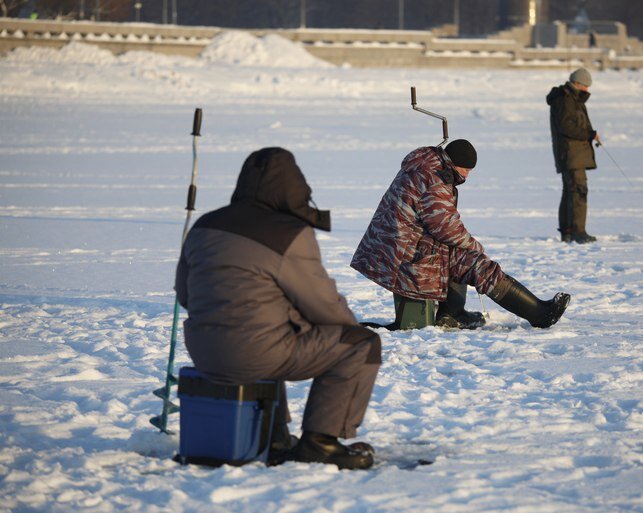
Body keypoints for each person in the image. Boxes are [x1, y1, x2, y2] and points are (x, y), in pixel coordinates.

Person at [175, 148, 381, 470]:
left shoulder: (204, 225)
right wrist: (350, 330)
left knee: (269, 330)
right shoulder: (288, 233)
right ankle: (321, 443)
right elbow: (322, 305)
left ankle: (275, 436)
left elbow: (185, 294)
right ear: (294, 188)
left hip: (204, 352)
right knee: (361, 345)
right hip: (255, 355)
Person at [351, 139, 570, 330]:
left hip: (397, 249)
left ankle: (452, 314)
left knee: (462, 255)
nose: (467, 175)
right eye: (466, 169)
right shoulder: (434, 178)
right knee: (475, 262)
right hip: (405, 255)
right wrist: (474, 246)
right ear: (455, 164)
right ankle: (540, 315)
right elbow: (444, 226)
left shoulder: (427, 165)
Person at [547, 67, 599, 244]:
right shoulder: (566, 99)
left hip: (573, 153)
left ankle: (568, 231)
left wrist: (589, 133)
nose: (587, 90)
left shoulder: (571, 98)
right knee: (578, 190)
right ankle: (578, 231)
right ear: (577, 84)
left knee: (571, 192)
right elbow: (566, 126)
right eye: (585, 86)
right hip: (571, 153)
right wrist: (588, 134)